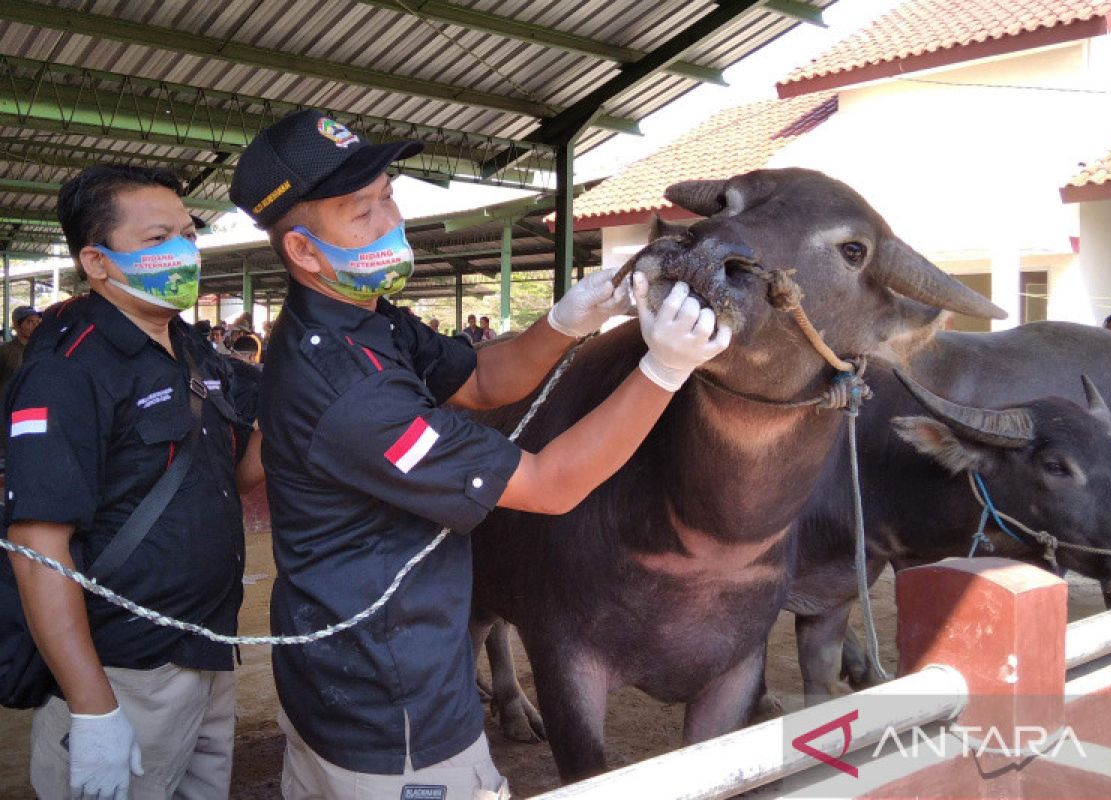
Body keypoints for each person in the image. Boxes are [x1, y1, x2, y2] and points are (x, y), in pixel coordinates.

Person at [229, 108, 730, 800]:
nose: (388, 221)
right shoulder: (349, 391)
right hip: (394, 712)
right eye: (360, 212)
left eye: (387, 195)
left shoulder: (362, 320)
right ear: (306, 253)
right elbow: (551, 484)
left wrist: (564, 321)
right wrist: (663, 373)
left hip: (340, 680)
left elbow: (486, 379)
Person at [3, 164, 264, 799]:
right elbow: (39, 551)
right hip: (125, 671)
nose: (183, 251)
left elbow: (239, 472)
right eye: (158, 240)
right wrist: (94, 711)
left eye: (187, 235)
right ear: (96, 260)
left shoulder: (194, 350)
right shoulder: (68, 370)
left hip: (206, 650)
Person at [0, 306, 41, 401]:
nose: (35, 326)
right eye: (30, 322)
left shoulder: (43, 351)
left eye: (38, 322)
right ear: (17, 325)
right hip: (9, 406)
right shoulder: (5, 351)